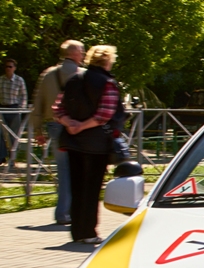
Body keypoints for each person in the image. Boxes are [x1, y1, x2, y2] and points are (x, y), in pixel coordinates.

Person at [54, 45, 125, 244]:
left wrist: (71, 124)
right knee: (92, 189)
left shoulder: (73, 80)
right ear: (107, 61)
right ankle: (89, 232)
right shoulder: (107, 83)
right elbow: (105, 114)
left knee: (77, 187)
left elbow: (57, 108)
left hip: (73, 142)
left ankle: (77, 232)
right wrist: (83, 126)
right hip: (97, 144)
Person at [31, 40, 84, 224]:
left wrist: (38, 130)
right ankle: (74, 211)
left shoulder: (47, 75)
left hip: (54, 127)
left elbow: (38, 103)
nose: (83, 55)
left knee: (63, 170)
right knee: (79, 169)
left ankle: (62, 213)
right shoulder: (83, 75)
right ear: (74, 54)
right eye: (81, 51)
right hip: (78, 128)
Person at [1, 58, 28, 165]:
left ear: (14, 68)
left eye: (10, 66)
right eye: (6, 66)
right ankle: (2, 156)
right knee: (1, 134)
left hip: (14, 108)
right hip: (2, 109)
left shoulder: (19, 80)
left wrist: (21, 109)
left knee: (13, 135)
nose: (8, 69)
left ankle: (13, 158)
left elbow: (23, 95)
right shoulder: (1, 80)